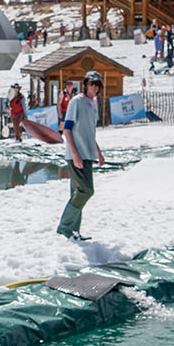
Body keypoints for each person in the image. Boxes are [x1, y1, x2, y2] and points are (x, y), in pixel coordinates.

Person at [58, 70, 106, 240]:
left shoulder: (93, 103)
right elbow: (67, 129)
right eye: (91, 83)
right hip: (77, 155)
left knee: (77, 193)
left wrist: (98, 152)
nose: (94, 87)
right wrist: (75, 154)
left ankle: (74, 232)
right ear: (85, 84)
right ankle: (64, 226)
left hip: (88, 155)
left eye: (97, 84)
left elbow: (90, 132)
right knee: (86, 190)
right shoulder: (76, 102)